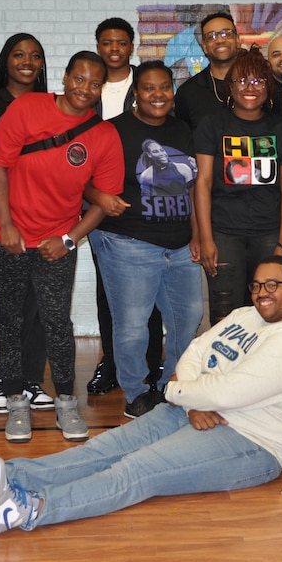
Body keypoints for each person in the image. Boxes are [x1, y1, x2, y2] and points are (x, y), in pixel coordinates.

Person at [0, 257, 282, 536]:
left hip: (251, 441)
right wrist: (190, 397)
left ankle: (28, 510)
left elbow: (234, 391)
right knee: (100, 451)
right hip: (195, 408)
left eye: (273, 286)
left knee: (137, 470)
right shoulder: (246, 315)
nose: (261, 293)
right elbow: (196, 350)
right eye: (256, 285)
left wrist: (177, 390)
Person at [0, 51, 123, 443]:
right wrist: (6, 224)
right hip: (5, 233)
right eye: (79, 79)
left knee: (57, 322)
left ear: (101, 89)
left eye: (95, 84)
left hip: (56, 240)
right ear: (65, 77)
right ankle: (16, 403)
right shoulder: (27, 108)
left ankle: (65, 403)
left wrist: (69, 240)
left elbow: (103, 200)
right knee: (8, 320)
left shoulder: (104, 136)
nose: (86, 89)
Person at [88, 61, 204, 419]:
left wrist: (198, 235)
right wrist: (98, 196)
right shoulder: (111, 131)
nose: (158, 95)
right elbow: (77, 178)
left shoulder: (184, 130)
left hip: (180, 245)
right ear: (135, 94)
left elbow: (195, 186)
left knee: (189, 318)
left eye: (164, 87)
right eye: (149, 88)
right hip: (128, 241)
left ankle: (173, 386)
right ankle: (136, 392)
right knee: (133, 324)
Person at [0, 33, 56, 417]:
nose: (26, 61)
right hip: (4, 218)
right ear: (6, 61)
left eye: (34, 56)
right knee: (11, 306)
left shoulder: (52, 105)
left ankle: (30, 380)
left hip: (45, 217)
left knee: (40, 305)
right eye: (19, 55)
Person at [193, 48, 282, 325]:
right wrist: (206, 239)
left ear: (269, 87)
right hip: (223, 234)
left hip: (268, 233)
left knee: (270, 311)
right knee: (224, 312)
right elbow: (202, 183)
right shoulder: (213, 125)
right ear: (230, 87)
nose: (250, 88)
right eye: (242, 81)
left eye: (258, 81)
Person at [87, 17, 165, 398]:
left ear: (131, 46)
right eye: (107, 42)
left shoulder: (149, 83)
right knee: (109, 291)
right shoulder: (87, 86)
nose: (114, 49)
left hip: (146, 201)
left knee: (149, 291)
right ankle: (111, 361)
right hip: (101, 202)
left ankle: (153, 361)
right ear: (98, 46)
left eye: (121, 42)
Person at [175, 11, 242, 130]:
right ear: (204, 47)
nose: (220, 40)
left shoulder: (259, 86)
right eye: (212, 36)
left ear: (237, 40)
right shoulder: (187, 93)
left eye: (226, 34)